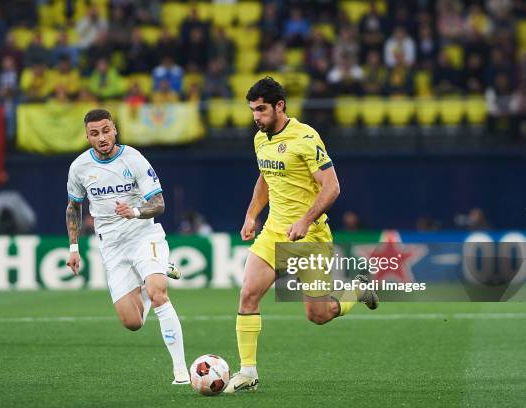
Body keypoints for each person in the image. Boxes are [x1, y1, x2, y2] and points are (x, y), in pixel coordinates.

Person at [224, 77, 379, 393]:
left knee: (318, 316)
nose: (256, 116)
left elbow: (332, 186)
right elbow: (266, 179)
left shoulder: (306, 138)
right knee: (248, 294)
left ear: (280, 106)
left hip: (310, 238)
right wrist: (251, 215)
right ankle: (248, 372)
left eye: (262, 109)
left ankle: (356, 290)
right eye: (253, 110)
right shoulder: (260, 139)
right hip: (273, 232)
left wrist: (306, 221)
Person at [65, 109, 188, 385]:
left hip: (144, 234)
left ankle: (181, 370)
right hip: (111, 245)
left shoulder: (133, 159)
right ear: (87, 136)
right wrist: (74, 248)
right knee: (132, 322)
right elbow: (74, 206)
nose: (102, 137)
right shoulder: (79, 167)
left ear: (115, 129)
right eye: (94, 133)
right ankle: (158, 269)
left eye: (106, 130)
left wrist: (133, 211)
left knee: (159, 293)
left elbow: (159, 204)